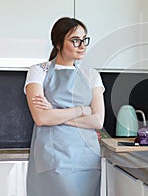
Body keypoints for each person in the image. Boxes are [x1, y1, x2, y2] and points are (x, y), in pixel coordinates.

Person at [24, 17, 105, 196]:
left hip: (86, 160)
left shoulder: (91, 75)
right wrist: (82, 110)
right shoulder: (39, 71)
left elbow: (98, 121)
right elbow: (41, 118)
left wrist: (56, 114)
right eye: (75, 40)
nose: (82, 45)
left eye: (84, 39)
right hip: (52, 158)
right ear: (59, 43)